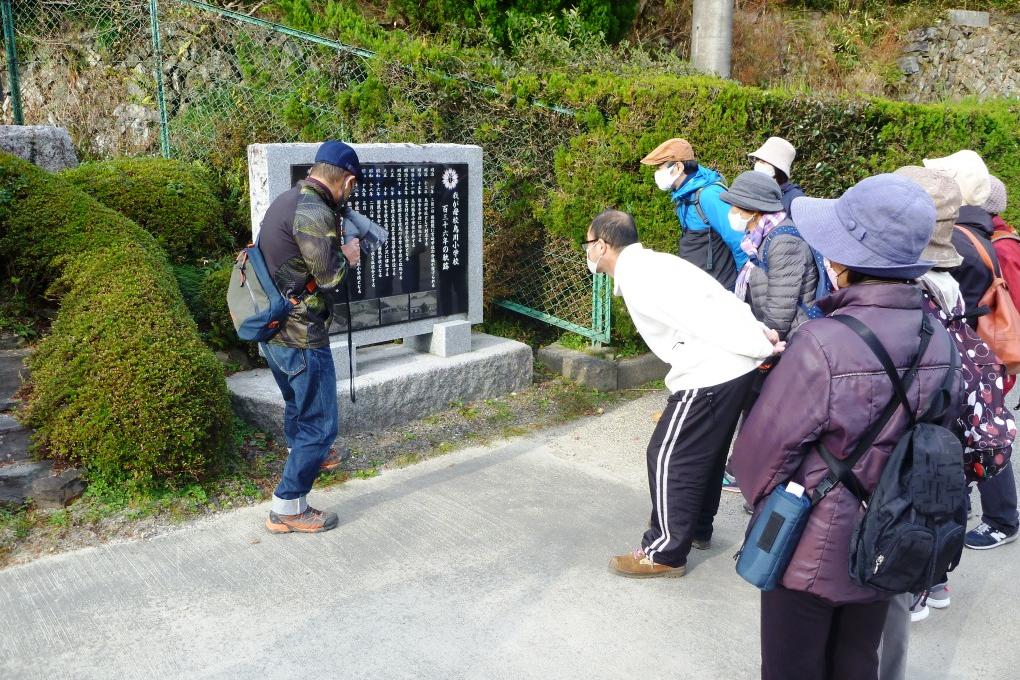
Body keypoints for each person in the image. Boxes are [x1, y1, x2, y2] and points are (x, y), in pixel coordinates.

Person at [730, 174, 963, 680]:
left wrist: (768, 501)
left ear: (845, 264)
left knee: (793, 665)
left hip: (810, 546)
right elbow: (936, 436)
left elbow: (758, 457)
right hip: (890, 537)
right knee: (859, 662)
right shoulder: (939, 339)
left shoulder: (822, 342)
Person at [582, 209, 784, 577]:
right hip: (729, 367)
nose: (587, 251)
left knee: (666, 455)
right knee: (703, 453)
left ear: (604, 245)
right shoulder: (651, 266)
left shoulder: (642, 275)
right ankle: (696, 529)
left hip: (712, 369)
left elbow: (705, 314)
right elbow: (716, 298)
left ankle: (663, 552)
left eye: (589, 243)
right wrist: (758, 333)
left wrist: (759, 342)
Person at [258, 140, 363, 534]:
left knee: (299, 413)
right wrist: (348, 256)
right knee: (319, 425)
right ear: (347, 181)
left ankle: (305, 460)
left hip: (276, 333)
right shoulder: (315, 211)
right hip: (302, 336)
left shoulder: (287, 200)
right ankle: (287, 507)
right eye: (352, 188)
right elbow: (331, 277)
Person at [720, 170, 820, 340]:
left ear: (754, 210)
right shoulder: (759, 236)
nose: (731, 212)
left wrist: (769, 342)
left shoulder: (783, 241)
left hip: (795, 335)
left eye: (736, 207)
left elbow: (781, 304)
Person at [641, 138, 743, 290]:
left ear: (678, 167)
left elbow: (738, 240)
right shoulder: (684, 195)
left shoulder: (709, 195)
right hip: (701, 289)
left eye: (660, 167)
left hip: (721, 291)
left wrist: (744, 286)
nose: (657, 173)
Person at [749, 136, 805, 214]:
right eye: (757, 160)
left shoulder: (795, 199)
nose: (758, 164)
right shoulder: (757, 189)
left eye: (763, 161)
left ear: (778, 168)